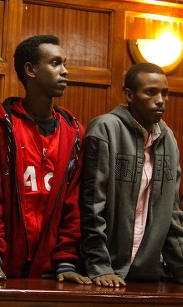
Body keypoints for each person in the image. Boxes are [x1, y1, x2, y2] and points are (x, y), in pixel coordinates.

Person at [0, 35, 91, 284]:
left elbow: (73, 204)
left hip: (54, 271)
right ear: (30, 70)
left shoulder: (74, 132)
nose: (65, 71)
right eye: (55, 63)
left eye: (64, 63)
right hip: (2, 267)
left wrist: (66, 261)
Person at [80, 62, 183, 287]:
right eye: (151, 92)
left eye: (165, 93)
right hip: (102, 273)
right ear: (129, 95)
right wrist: (99, 266)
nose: (161, 100)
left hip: (147, 274)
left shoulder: (168, 139)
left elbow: (172, 214)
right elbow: (91, 206)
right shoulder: (105, 128)